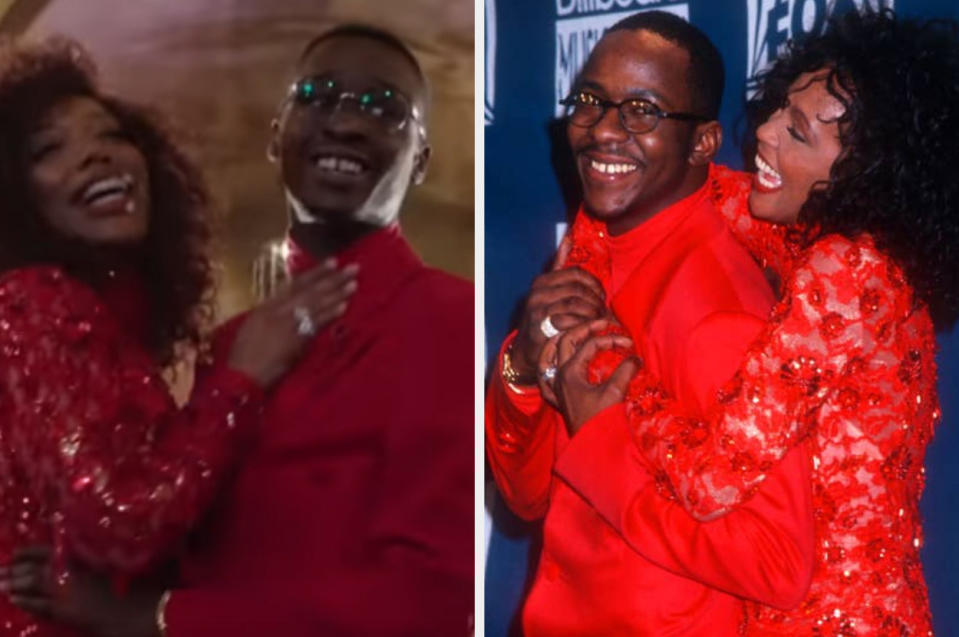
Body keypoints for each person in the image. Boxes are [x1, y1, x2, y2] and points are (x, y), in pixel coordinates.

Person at [4, 24, 474, 637]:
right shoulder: (231, 348)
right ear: (277, 136)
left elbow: (426, 605)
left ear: (421, 162)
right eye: (320, 95)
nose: (347, 123)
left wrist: (147, 614)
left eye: (384, 109)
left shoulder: (451, 317)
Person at [543, 9, 959, 634]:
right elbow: (698, 189)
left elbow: (712, 480)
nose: (762, 133)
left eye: (796, 132)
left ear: (860, 170)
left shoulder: (842, 272)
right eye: (777, 112)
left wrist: (616, 382)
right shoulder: (867, 261)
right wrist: (630, 142)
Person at [486, 11, 816, 636]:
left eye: (642, 111)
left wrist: (602, 437)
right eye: (590, 101)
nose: (602, 131)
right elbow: (527, 496)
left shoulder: (722, 312)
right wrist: (521, 368)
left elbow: (779, 564)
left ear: (703, 144)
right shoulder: (589, 257)